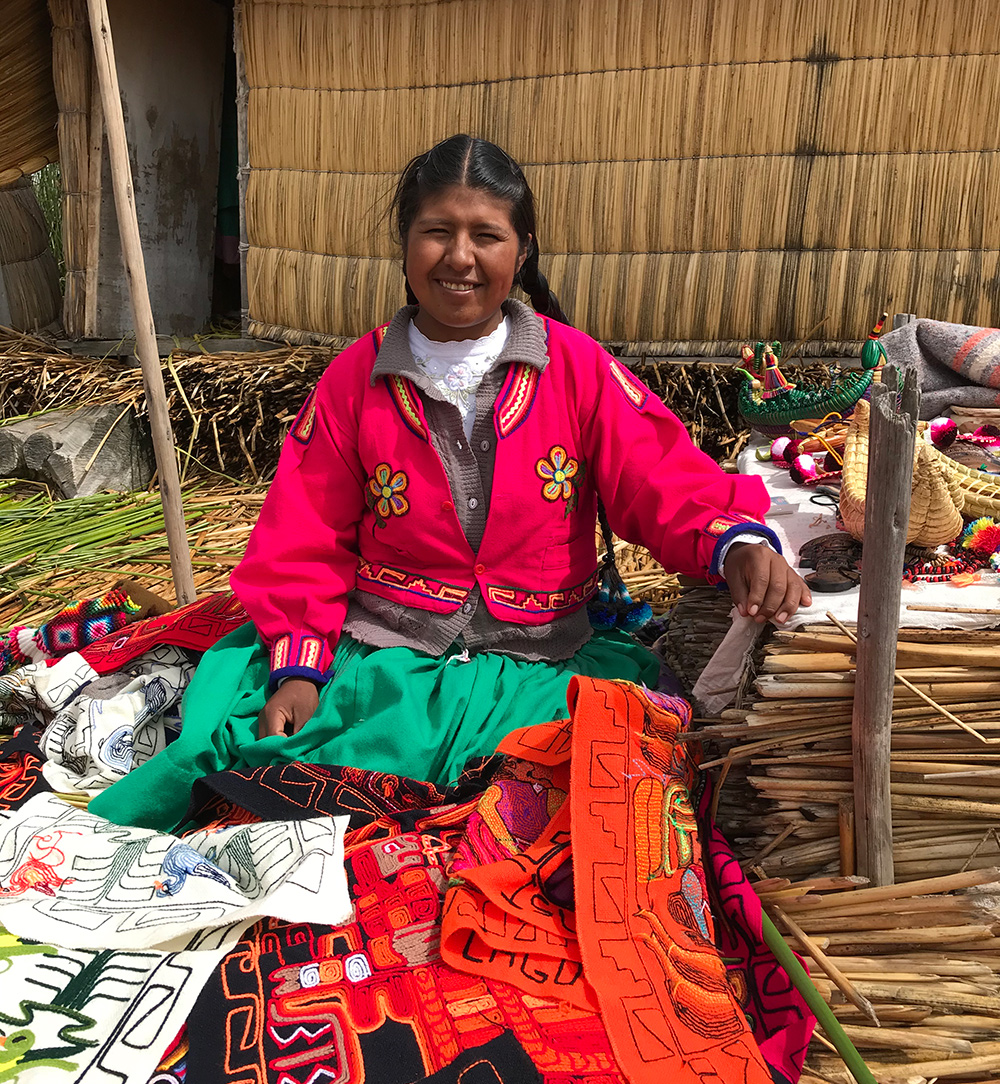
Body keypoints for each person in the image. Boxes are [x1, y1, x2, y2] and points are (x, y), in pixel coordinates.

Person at [90, 134, 809, 832]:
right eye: (437, 232)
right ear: (405, 244)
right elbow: (303, 536)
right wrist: (300, 671)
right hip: (386, 663)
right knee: (290, 768)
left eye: (486, 236)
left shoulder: (579, 369)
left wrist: (735, 545)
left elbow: (660, 478)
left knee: (607, 787)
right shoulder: (353, 382)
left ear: (521, 249)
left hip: (539, 665)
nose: (460, 258)